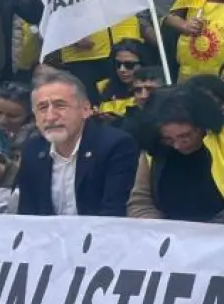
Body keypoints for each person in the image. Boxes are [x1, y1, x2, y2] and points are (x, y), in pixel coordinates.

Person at [17, 72, 138, 217]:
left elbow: (113, 213)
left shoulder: (115, 146)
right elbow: (28, 214)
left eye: (60, 106)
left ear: (85, 110)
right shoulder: (32, 150)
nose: (50, 117)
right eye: (42, 108)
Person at [127, 85, 224, 222]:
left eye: (185, 136)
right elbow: (141, 203)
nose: (177, 145)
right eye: (168, 139)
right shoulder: (154, 145)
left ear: (203, 123)